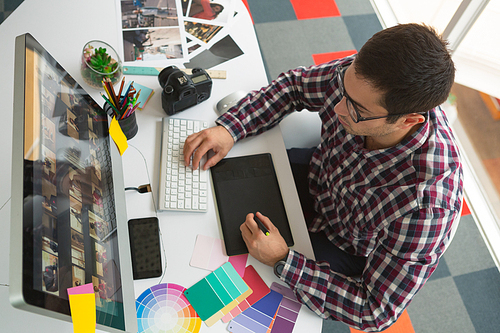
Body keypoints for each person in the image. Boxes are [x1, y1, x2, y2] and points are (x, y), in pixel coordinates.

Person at [183, 23, 463, 331]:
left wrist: (284, 262)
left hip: (345, 244)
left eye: (357, 110)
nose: (339, 107)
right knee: (213, 201)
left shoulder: (428, 205)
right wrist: (231, 127)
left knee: (244, 294)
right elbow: (295, 87)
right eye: (344, 89)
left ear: (408, 120)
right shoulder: (360, 81)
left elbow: (375, 311)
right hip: (318, 177)